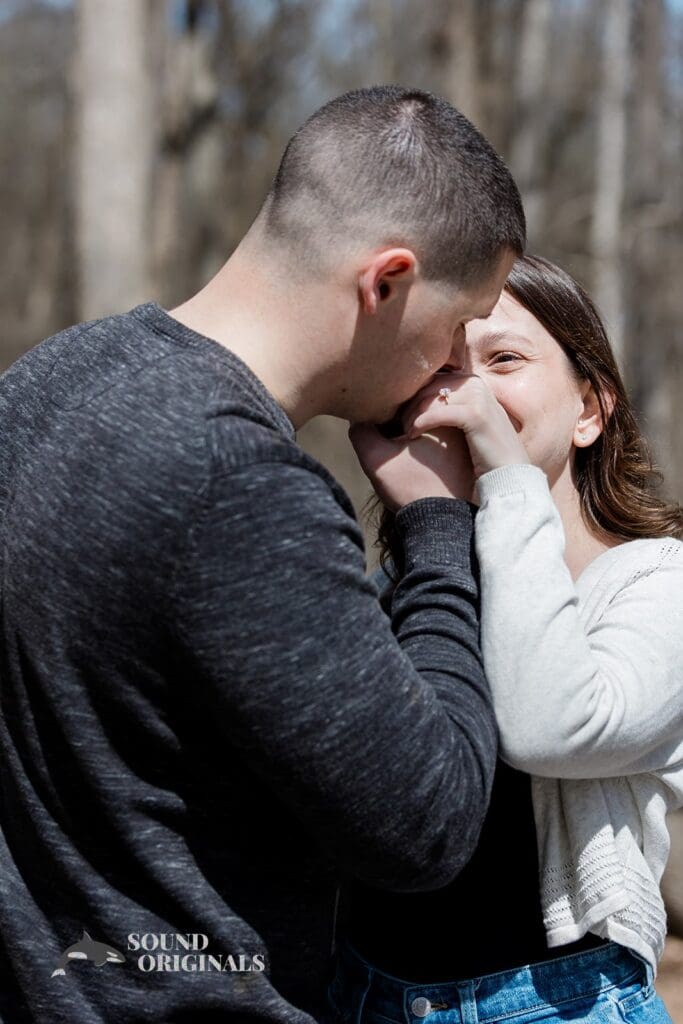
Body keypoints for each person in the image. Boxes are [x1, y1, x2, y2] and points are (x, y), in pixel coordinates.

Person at [0, 86, 525, 1024]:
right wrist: (436, 532)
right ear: (387, 282)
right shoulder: (235, 482)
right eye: (460, 326)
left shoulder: (44, 383)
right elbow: (425, 827)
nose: (455, 368)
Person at [331, 254, 683, 1024]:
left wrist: (504, 478)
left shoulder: (659, 582)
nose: (465, 392)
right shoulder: (419, 578)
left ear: (590, 409)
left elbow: (548, 727)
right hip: (364, 994)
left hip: (558, 1002)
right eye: (445, 369)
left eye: (503, 361)